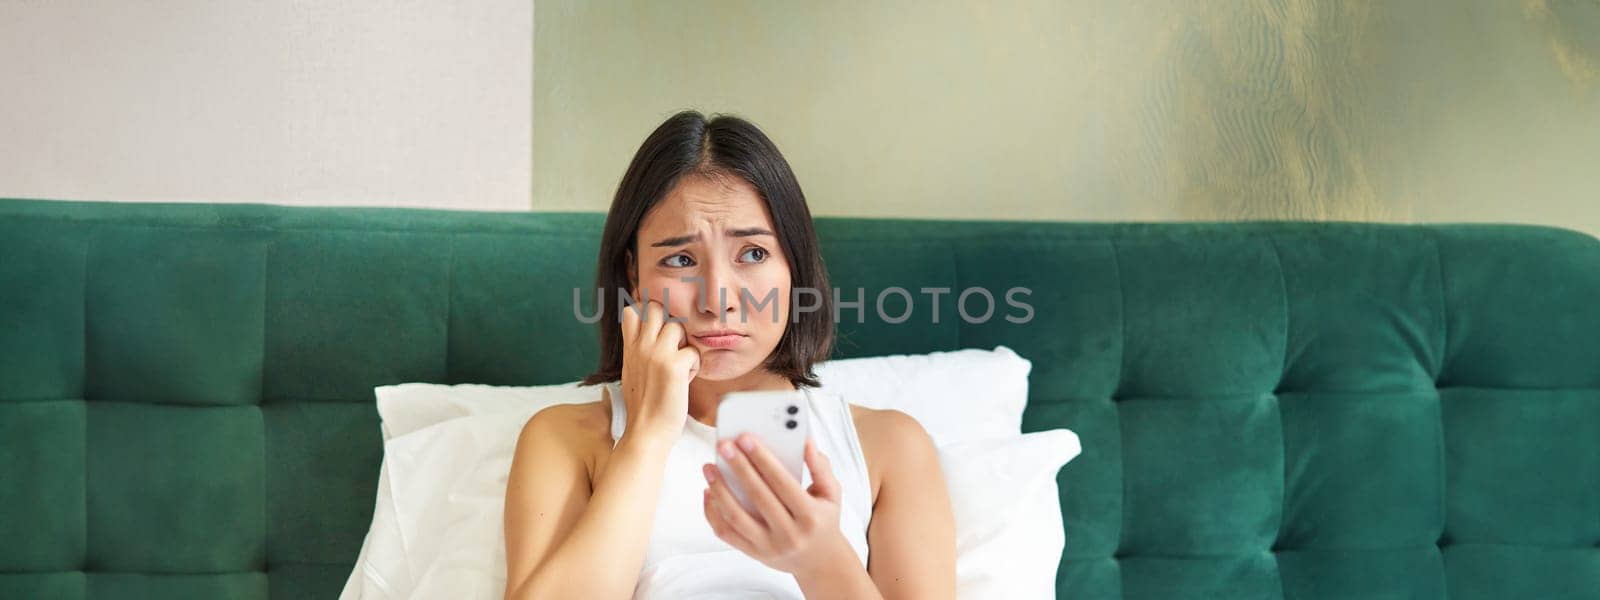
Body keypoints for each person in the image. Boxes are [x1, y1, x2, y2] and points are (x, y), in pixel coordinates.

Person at [502, 110, 956, 599]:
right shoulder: (566, 440)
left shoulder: (888, 447)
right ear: (633, 276)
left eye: (754, 254)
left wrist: (819, 557)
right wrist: (645, 439)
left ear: (794, 268)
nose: (718, 297)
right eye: (680, 259)